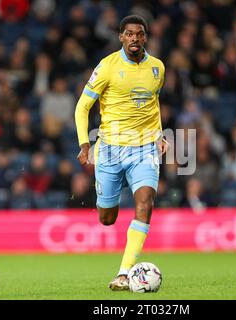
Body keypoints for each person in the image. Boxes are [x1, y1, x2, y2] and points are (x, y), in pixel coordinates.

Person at [74, 15, 167, 291]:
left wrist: (159, 135)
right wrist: (84, 144)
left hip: (144, 148)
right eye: (129, 34)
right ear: (121, 37)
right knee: (107, 218)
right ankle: (109, 203)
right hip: (111, 150)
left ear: (146, 37)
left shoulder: (157, 68)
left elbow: (154, 104)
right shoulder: (107, 67)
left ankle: (124, 273)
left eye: (140, 34)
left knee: (145, 203)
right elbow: (82, 107)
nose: (135, 38)